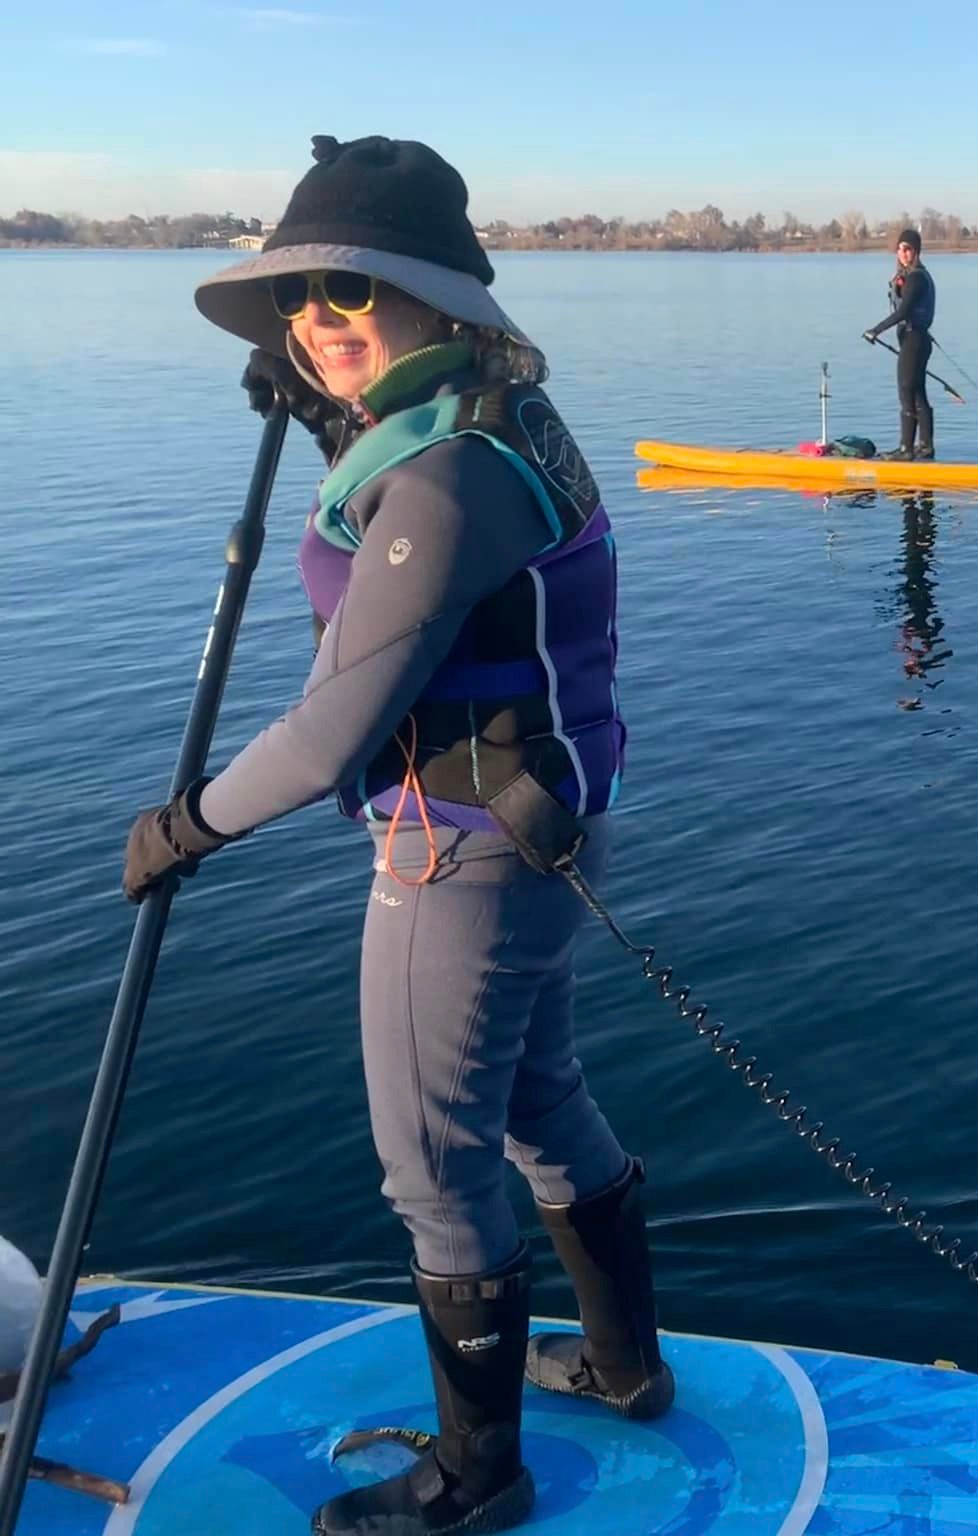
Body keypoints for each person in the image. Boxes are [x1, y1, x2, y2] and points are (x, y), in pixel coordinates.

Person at [119, 134, 673, 1536]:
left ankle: (477, 1478)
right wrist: (328, 416)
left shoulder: (445, 476)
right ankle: (623, 1366)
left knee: (434, 1169)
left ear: (439, 304)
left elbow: (327, 735)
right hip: (548, 832)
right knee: (541, 1103)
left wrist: (186, 827)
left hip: (462, 853)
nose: (317, 322)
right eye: (302, 301)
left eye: (351, 295)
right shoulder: (488, 420)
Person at [863, 227, 938, 460]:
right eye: (899, 249)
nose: (902, 253)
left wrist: (876, 330)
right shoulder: (909, 276)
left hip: (915, 340)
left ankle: (907, 449)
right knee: (917, 393)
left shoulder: (916, 278)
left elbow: (904, 311)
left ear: (916, 251)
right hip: (916, 340)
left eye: (907, 249)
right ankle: (925, 447)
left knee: (906, 391)